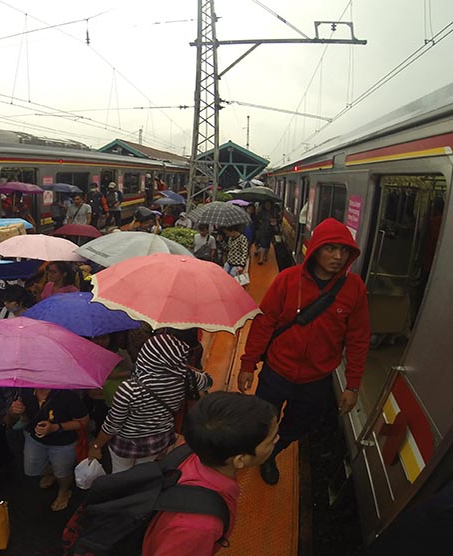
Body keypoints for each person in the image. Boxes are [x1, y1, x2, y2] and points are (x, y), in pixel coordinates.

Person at [238, 218, 371, 485]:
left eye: (344, 251)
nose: (337, 256)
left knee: (301, 425)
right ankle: (261, 451)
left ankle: (272, 453)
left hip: (316, 378)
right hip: (277, 371)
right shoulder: (287, 280)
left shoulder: (354, 288)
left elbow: (358, 339)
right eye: (330, 249)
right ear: (315, 249)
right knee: (264, 420)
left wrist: (353, 385)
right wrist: (247, 364)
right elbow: (265, 323)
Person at [142, 392, 279, 556]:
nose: (277, 439)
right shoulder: (199, 527)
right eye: (270, 440)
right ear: (239, 460)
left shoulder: (194, 449)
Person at [89, 330, 213, 473]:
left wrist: (97, 445)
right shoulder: (184, 377)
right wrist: (181, 367)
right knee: (142, 472)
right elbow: (208, 381)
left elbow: (113, 424)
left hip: (127, 444)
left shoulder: (129, 389)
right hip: (158, 440)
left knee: (121, 475)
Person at [8, 388, 89, 511]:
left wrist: (56, 427)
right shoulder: (24, 390)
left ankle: (64, 492)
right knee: (31, 469)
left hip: (63, 441)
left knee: (62, 472)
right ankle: (52, 472)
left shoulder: (68, 394)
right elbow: (12, 418)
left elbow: (83, 421)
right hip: (34, 438)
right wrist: (14, 411)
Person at [254, 201, 278, 265]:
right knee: (262, 243)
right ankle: (261, 259)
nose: (268, 206)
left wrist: (275, 221)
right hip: (262, 230)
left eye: (269, 204)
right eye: (266, 204)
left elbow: (277, 220)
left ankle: (265, 255)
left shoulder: (274, 212)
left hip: (270, 230)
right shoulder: (261, 212)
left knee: (267, 244)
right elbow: (256, 219)